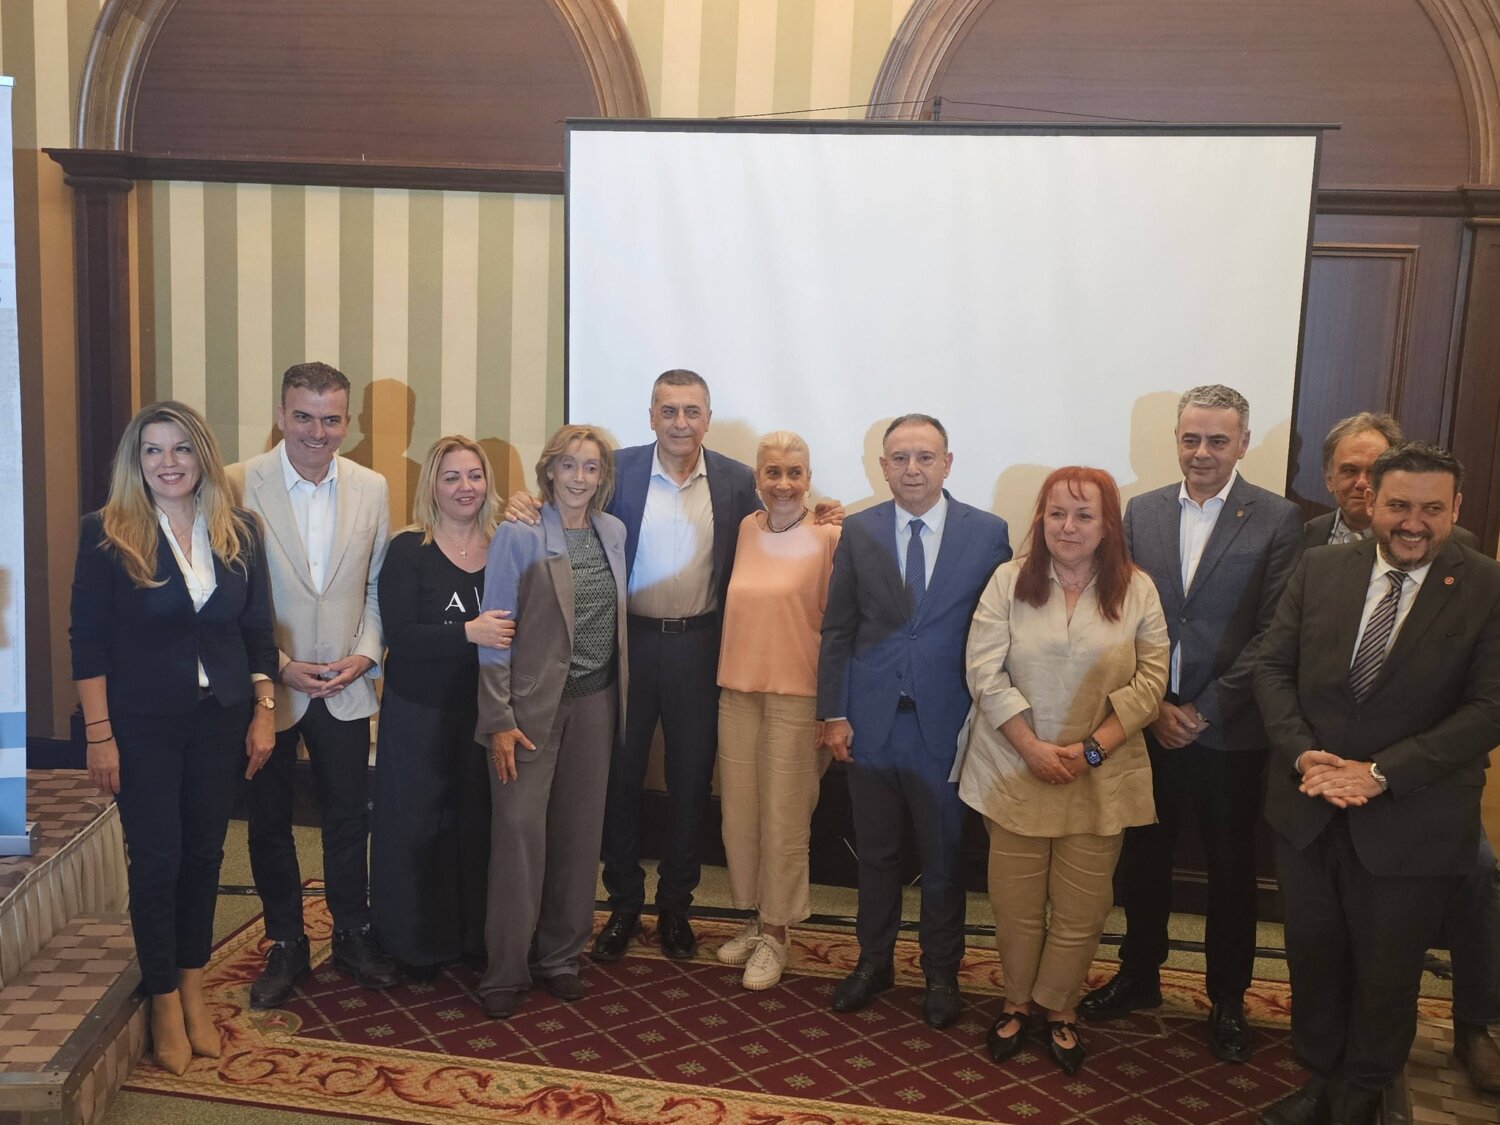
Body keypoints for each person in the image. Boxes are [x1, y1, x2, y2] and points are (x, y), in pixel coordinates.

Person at [506, 370, 839, 962]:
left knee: (690, 781)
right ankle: (623, 904)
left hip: (701, 647)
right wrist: (526, 504)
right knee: (620, 777)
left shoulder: (737, 480)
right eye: (669, 411)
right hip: (626, 645)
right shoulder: (616, 470)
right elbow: (567, 505)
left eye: (691, 411)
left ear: (707, 418)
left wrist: (827, 514)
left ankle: (676, 907)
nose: (680, 423)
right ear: (651, 416)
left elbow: (782, 527)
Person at [1254, 442, 1500, 1125]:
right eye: (1399, 505)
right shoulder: (1321, 567)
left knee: (1387, 973)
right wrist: (1304, 756)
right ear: (1373, 502)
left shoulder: (1487, 586)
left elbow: (1489, 708)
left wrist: (1380, 773)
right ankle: (1320, 1079)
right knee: (1314, 958)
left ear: (1456, 508)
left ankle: (1363, 1093)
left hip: (1413, 820)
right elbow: (1272, 669)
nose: (1413, 522)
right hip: (1308, 808)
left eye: (1431, 508)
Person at [1080, 384, 1302, 1064]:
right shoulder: (1141, 511)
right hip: (1149, 721)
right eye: (1191, 438)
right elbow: (1120, 614)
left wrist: (1203, 708)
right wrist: (1152, 705)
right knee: (1144, 860)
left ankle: (1228, 997)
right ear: (1176, 440)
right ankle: (1139, 976)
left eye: (1217, 440)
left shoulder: (1278, 518)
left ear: (1243, 443)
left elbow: (1276, 632)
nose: (1202, 452)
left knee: (1231, 870)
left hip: (1228, 730)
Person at [71, 401, 277, 1074]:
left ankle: (193, 984)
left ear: (202, 457)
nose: (169, 462)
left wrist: (264, 710)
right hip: (142, 724)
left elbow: (256, 631)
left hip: (220, 718)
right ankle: (161, 997)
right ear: (136, 462)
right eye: (153, 450)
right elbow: (87, 641)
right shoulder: (107, 531)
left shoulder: (239, 530)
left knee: (206, 854)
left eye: (181, 449)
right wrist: (99, 736)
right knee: (158, 860)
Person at [955, 467, 1168, 1074]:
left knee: (1083, 908)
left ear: (1107, 526)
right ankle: (1017, 1003)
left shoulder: (1138, 589)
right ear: (1040, 519)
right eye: (1056, 514)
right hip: (1013, 768)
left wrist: (1090, 751)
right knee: (1016, 904)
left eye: (1083, 515)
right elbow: (983, 671)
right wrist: (1031, 748)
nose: (1067, 527)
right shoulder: (1008, 581)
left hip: (1100, 775)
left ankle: (1060, 1007)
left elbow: (1152, 682)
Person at [819, 413, 1011, 1029]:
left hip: (947, 725)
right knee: (875, 855)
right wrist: (834, 712)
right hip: (871, 723)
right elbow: (839, 629)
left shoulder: (987, 533)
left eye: (925, 457)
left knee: (944, 856)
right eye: (899, 457)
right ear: (883, 467)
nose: (912, 468)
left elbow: (999, 631)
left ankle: (941, 972)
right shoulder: (860, 530)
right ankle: (873, 962)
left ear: (947, 464)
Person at [227, 361, 398, 1008]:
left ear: (347, 422)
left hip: (346, 684)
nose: (316, 432)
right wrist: (276, 663)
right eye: (303, 416)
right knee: (269, 821)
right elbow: (229, 596)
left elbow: (377, 586)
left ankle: (352, 933)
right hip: (270, 689)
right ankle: (286, 941)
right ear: (281, 415)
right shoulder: (238, 482)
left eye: (330, 419)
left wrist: (365, 655)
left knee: (349, 817)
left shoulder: (372, 487)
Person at [476, 425, 630, 1019]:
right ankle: (505, 970)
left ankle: (561, 958)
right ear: (548, 471)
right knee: (518, 835)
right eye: (568, 465)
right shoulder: (518, 533)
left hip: (596, 703)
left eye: (591, 467)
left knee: (579, 835)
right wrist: (497, 716)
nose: (579, 477)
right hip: (526, 712)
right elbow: (494, 633)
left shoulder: (612, 531)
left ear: (603, 476)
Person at [368, 436, 515, 979]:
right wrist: (468, 633)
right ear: (432, 485)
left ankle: (471, 938)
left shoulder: (505, 545)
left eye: (474, 475)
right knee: (417, 829)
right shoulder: (409, 549)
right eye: (451, 477)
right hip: (418, 713)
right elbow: (401, 637)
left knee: (475, 826)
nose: (464, 487)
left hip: (482, 712)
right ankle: (412, 943)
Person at [713, 432, 840, 990]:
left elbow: (842, 629)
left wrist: (833, 708)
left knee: (785, 820)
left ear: (808, 478)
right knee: (740, 815)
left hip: (798, 697)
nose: (783, 483)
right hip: (738, 692)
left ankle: (778, 933)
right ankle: (756, 918)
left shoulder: (830, 535)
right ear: (757, 478)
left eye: (794, 472)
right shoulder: (747, 528)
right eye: (773, 472)